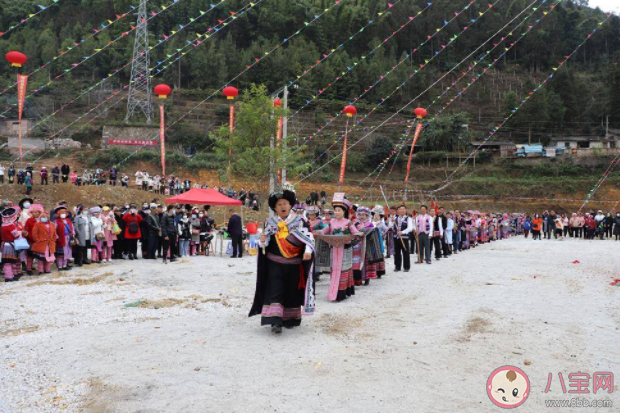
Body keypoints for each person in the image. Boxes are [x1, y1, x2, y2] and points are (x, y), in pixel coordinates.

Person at [250, 184, 315, 334]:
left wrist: (307, 250)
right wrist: (262, 240)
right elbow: (265, 244)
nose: (282, 206)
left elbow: (309, 238)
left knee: (291, 292)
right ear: (275, 208)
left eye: (285, 203)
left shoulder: (299, 222)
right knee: (275, 291)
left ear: (291, 205)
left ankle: (290, 319)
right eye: (279, 205)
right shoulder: (270, 223)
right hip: (275, 264)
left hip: (294, 265)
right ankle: (275, 321)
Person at [388, 205, 413, 272]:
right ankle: (397, 266)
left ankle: (406, 267)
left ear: (405, 210)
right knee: (396, 253)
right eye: (400, 209)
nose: (402, 210)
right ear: (398, 211)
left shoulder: (408, 218)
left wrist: (402, 232)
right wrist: (391, 221)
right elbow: (390, 227)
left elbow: (410, 228)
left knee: (405, 252)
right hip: (396, 238)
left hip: (404, 238)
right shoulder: (395, 218)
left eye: (403, 209)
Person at [2, 207, 23, 282]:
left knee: (6, 262)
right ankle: (10, 277)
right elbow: (16, 235)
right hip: (10, 245)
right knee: (11, 261)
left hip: (3, 245)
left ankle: (8, 276)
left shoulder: (2, 225)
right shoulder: (11, 225)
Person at [54, 206, 74, 271]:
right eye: (62, 212)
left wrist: (73, 233)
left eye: (65, 212)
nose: (64, 214)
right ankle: (60, 266)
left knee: (67, 252)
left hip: (68, 238)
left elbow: (72, 228)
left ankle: (65, 265)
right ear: (59, 213)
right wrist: (56, 237)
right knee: (60, 254)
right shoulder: (56, 221)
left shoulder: (68, 220)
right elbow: (54, 230)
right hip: (61, 239)